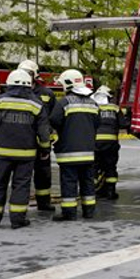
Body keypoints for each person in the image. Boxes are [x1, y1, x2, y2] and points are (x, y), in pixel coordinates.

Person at [0, 69, 51, 229]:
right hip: (26, 155)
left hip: (0, 153)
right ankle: (17, 220)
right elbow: (44, 133)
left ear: (10, 84)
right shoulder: (36, 104)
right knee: (21, 186)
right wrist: (45, 151)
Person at [50, 69, 100, 221]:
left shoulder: (64, 103)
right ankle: (89, 211)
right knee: (88, 182)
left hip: (68, 152)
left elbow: (54, 121)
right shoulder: (93, 103)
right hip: (89, 152)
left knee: (69, 182)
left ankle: (69, 213)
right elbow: (97, 123)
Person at [18, 60, 57, 212]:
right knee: (22, 176)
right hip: (23, 141)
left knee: (43, 175)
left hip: (42, 143)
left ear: (35, 75)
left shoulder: (47, 93)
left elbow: (53, 117)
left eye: (29, 73)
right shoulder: (16, 93)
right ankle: (20, 205)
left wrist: (48, 135)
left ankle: (44, 203)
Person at [92, 86, 127, 200]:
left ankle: (94, 191)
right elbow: (123, 124)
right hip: (111, 144)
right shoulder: (115, 108)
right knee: (110, 167)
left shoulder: (92, 108)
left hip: (95, 144)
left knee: (94, 167)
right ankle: (110, 192)